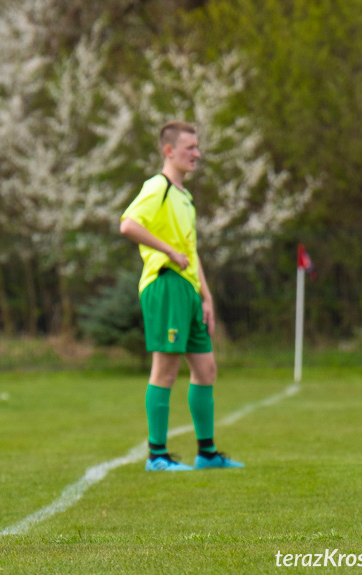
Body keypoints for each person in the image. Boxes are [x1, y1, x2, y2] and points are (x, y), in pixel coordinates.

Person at [119, 121, 243, 472]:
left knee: (206, 369)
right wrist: (168, 252)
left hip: (188, 289)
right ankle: (157, 456)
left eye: (197, 147)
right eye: (190, 148)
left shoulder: (185, 197)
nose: (197, 154)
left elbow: (192, 251)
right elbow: (128, 224)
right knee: (166, 370)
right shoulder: (157, 187)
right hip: (165, 284)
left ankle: (207, 453)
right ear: (168, 150)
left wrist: (207, 297)